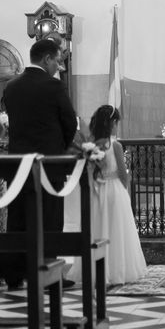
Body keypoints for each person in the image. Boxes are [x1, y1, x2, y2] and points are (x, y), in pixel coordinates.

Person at [0, 39, 77, 290]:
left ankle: (13, 274)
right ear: (46, 59)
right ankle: (49, 275)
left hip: (17, 166)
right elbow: (69, 124)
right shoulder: (54, 87)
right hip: (48, 165)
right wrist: (59, 150)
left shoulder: (11, 87)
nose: (59, 66)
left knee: (18, 219)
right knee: (50, 220)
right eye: (57, 60)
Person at [67, 105, 146, 285]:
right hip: (114, 190)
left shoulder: (90, 145)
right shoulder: (115, 145)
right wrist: (125, 190)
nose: (117, 126)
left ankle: (94, 269)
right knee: (117, 230)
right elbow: (123, 173)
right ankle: (118, 270)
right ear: (112, 123)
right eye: (116, 123)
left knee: (97, 227)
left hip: (96, 190)